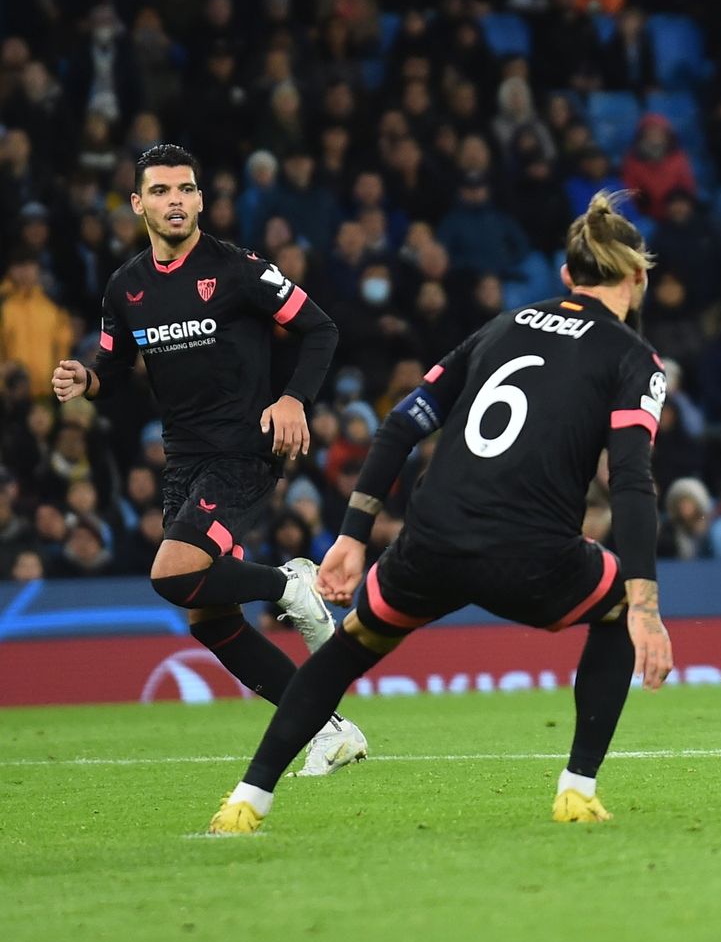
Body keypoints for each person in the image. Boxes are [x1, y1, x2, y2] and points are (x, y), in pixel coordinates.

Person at [207, 193, 674, 834]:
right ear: (638, 277)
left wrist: (351, 537)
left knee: (346, 652)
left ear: (566, 277)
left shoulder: (504, 325)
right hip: (530, 557)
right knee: (617, 603)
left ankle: (246, 800)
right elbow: (630, 479)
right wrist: (646, 606)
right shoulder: (634, 359)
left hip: (431, 544)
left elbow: (402, 424)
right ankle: (576, 789)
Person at [51, 144, 365, 774]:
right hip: (184, 459)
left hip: (244, 449)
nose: (177, 201)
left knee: (170, 575)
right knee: (206, 615)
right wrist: (87, 379)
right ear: (138, 204)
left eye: (187, 190)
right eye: (162, 191)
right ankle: (327, 730)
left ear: (200, 199)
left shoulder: (240, 270)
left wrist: (294, 399)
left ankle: (289, 586)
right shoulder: (127, 287)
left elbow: (321, 327)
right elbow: (114, 366)